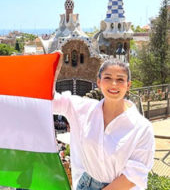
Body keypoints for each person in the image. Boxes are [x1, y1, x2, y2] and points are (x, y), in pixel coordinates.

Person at [52, 57, 155, 190]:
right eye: (107, 78)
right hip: (86, 184)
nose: (113, 84)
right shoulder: (83, 109)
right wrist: (51, 73)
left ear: (128, 85)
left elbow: (134, 175)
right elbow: (50, 102)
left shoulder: (142, 127)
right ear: (99, 82)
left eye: (120, 79)